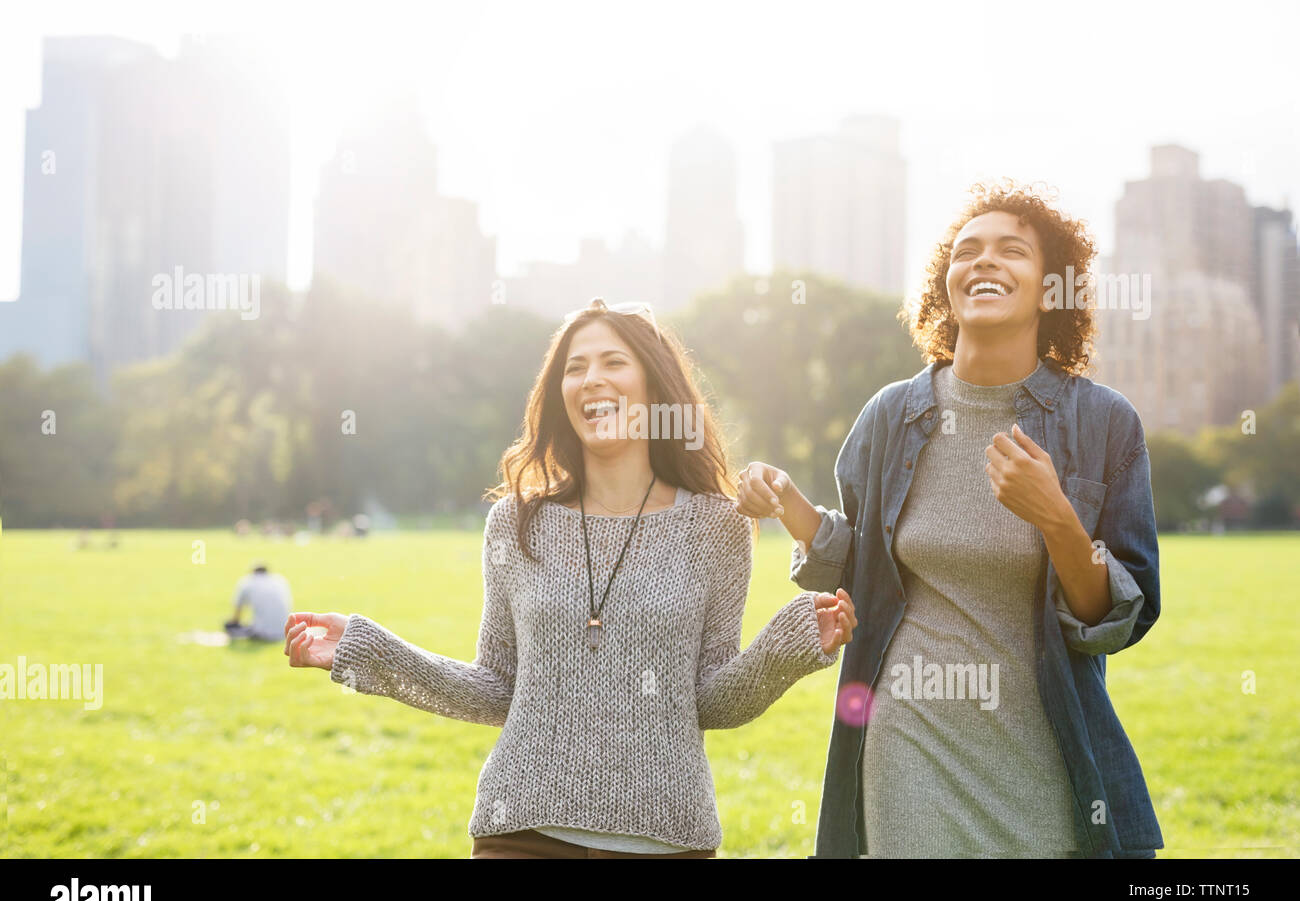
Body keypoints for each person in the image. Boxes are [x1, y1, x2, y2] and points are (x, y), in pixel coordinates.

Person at [284, 297, 857, 858]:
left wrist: (789, 645)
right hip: (520, 832)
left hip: (665, 840)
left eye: (614, 363)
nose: (592, 380)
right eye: (574, 368)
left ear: (654, 387)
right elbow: (497, 686)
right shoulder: (516, 521)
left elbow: (706, 700)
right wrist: (366, 650)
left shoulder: (716, 526)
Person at [737, 179, 1162, 858]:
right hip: (908, 738)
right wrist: (793, 506)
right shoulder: (891, 415)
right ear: (947, 282)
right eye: (967, 251)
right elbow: (862, 569)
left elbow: (1115, 620)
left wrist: (1056, 517)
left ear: (1052, 287)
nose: (984, 261)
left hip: (1045, 747)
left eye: (1011, 251)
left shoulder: (1102, 423)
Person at [226, 562, 293, 642]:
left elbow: (237, 613)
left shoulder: (247, 582)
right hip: (285, 631)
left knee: (230, 626)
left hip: (262, 633)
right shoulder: (280, 580)